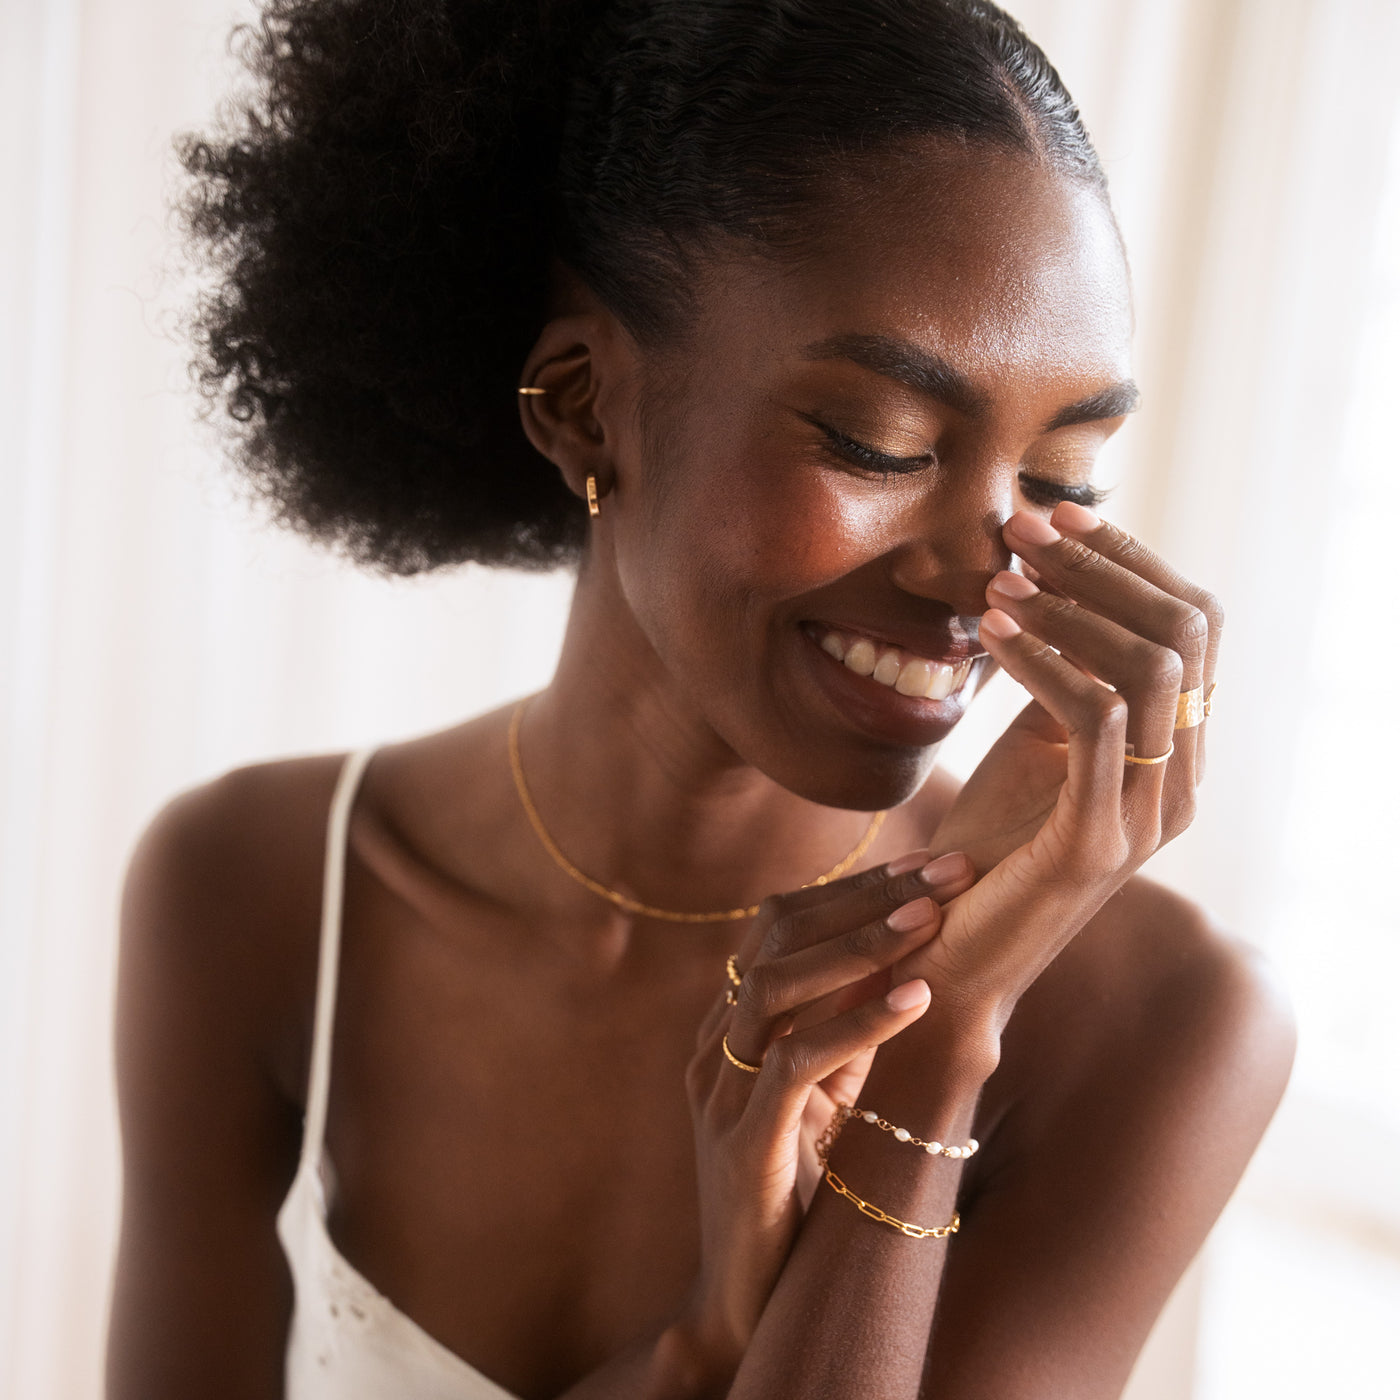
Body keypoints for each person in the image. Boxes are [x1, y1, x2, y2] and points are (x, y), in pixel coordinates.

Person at [107, 1, 1295, 1396]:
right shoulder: (256, 891)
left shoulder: (1160, 1024)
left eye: (1064, 479)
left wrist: (941, 1042)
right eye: (881, 440)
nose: (988, 568)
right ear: (579, 403)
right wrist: (704, 1354)